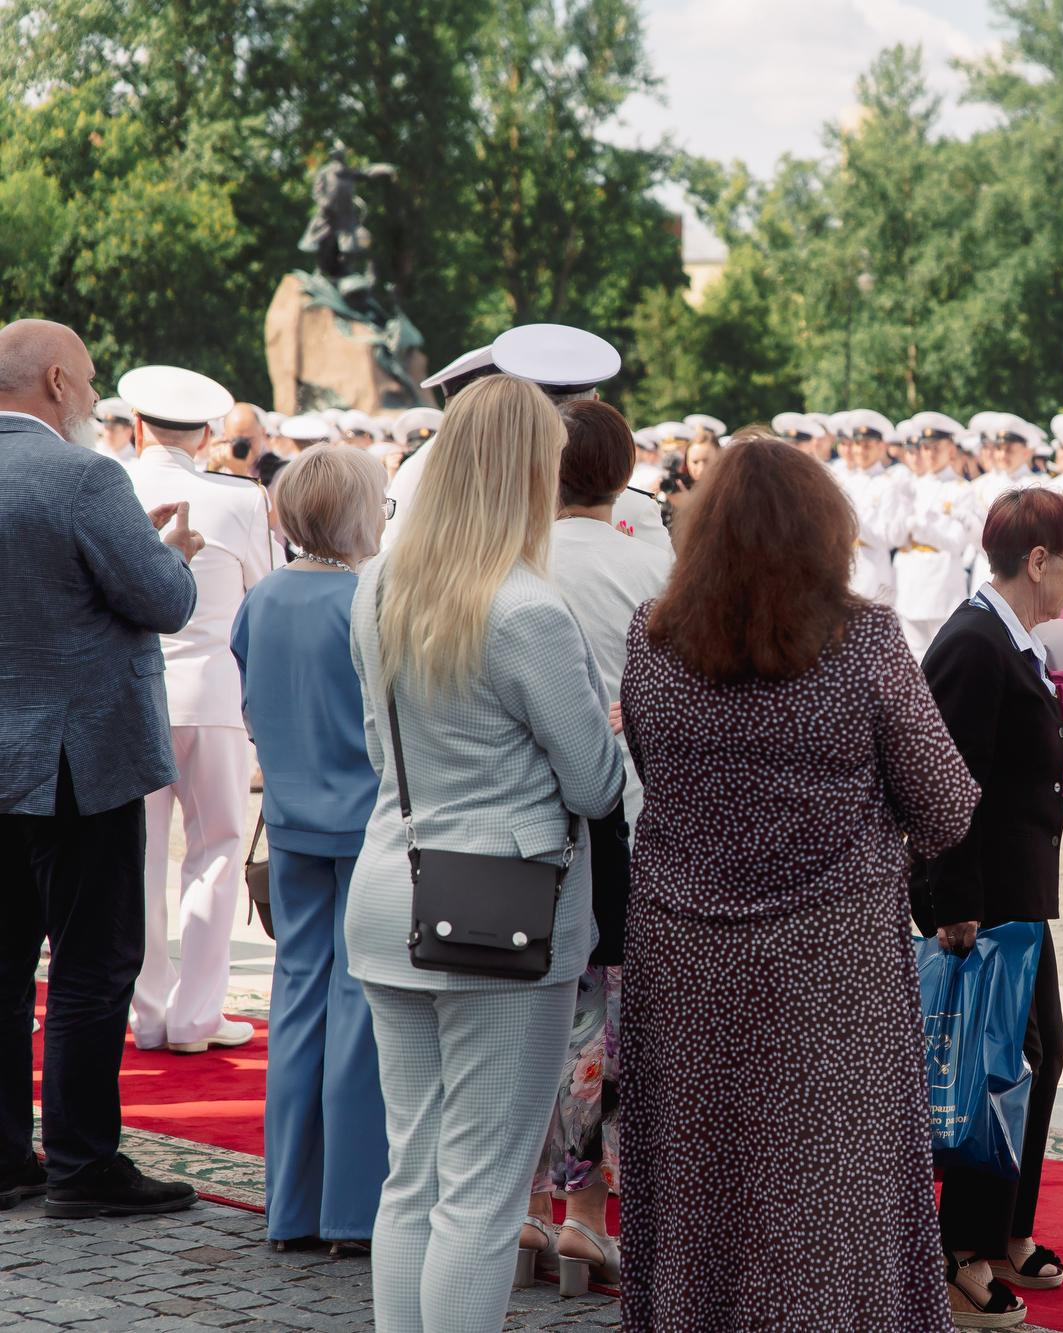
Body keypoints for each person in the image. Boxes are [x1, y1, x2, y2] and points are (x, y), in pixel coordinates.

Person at [615, 434, 978, 1331]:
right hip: (828, 967)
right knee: (829, 1190)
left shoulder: (652, 638)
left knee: (700, 1182)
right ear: (824, 532)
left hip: (684, 951)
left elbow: (653, 768)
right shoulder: (866, 644)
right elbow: (946, 807)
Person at [346, 375, 626, 1333]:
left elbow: (384, 752)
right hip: (503, 910)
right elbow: (594, 785)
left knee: (413, 1173)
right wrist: (619, 731)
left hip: (395, 882)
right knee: (479, 1193)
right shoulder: (526, 609)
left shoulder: (379, 581)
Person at [0, 319, 203, 1217]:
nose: (92, 399)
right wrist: (171, 555)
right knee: (91, 964)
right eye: (85, 383)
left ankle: (7, 1157)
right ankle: (83, 1162)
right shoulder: (83, 475)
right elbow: (163, 598)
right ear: (53, 381)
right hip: (81, 759)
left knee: (4, 967)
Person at [918, 487, 1063, 1328]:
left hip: (1019, 891)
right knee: (994, 1066)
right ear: (1037, 560)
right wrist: (955, 901)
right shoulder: (975, 642)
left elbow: (1048, 777)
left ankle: (1004, 1228)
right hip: (985, 899)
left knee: (1036, 1055)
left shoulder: (1018, 643)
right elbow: (948, 784)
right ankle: (961, 1254)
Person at [519, 397, 674, 1294]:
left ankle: (536, 1205)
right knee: (600, 1019)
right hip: (622, 808)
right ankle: (583, 1215)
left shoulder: (517, 552)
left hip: (529, 809)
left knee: (533, 1012)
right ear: (621, 472)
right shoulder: (651, 559)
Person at [230, 444, 391, 1255]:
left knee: (295, 1005)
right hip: (365, 825)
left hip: (291, 819)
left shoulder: (261, 597)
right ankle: (353, 1209)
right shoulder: (368, 600)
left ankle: (289, 1202)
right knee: (360, 1007)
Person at [120, 365, 275, 1053]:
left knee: (141, 855)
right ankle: (194, 1015)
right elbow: (262, 597)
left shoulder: (109, 484)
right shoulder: (237, 499)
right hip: (212, 693)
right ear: (210, 433)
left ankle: (149, 1009)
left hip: (131, 695)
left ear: (137, 427)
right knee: (214, 854)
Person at [894, 413, 978, 657]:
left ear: (951, 450)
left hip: (941, 585)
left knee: (942, 656)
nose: (929, 454)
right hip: (910, 583)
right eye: (925, 448)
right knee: (912, 658)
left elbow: (956, 542)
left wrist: (920, 528)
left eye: (936, 448)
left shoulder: (961, 489)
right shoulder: (913, 485)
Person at [838, 409, 911, 605]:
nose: (861, 451)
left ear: (881, 448)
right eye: (858, 445)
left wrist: (852, 520)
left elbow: (886, 537)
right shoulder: (844, 482)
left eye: (867, 446)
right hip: (845, 566)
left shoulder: (888, 484)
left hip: (873, 571)